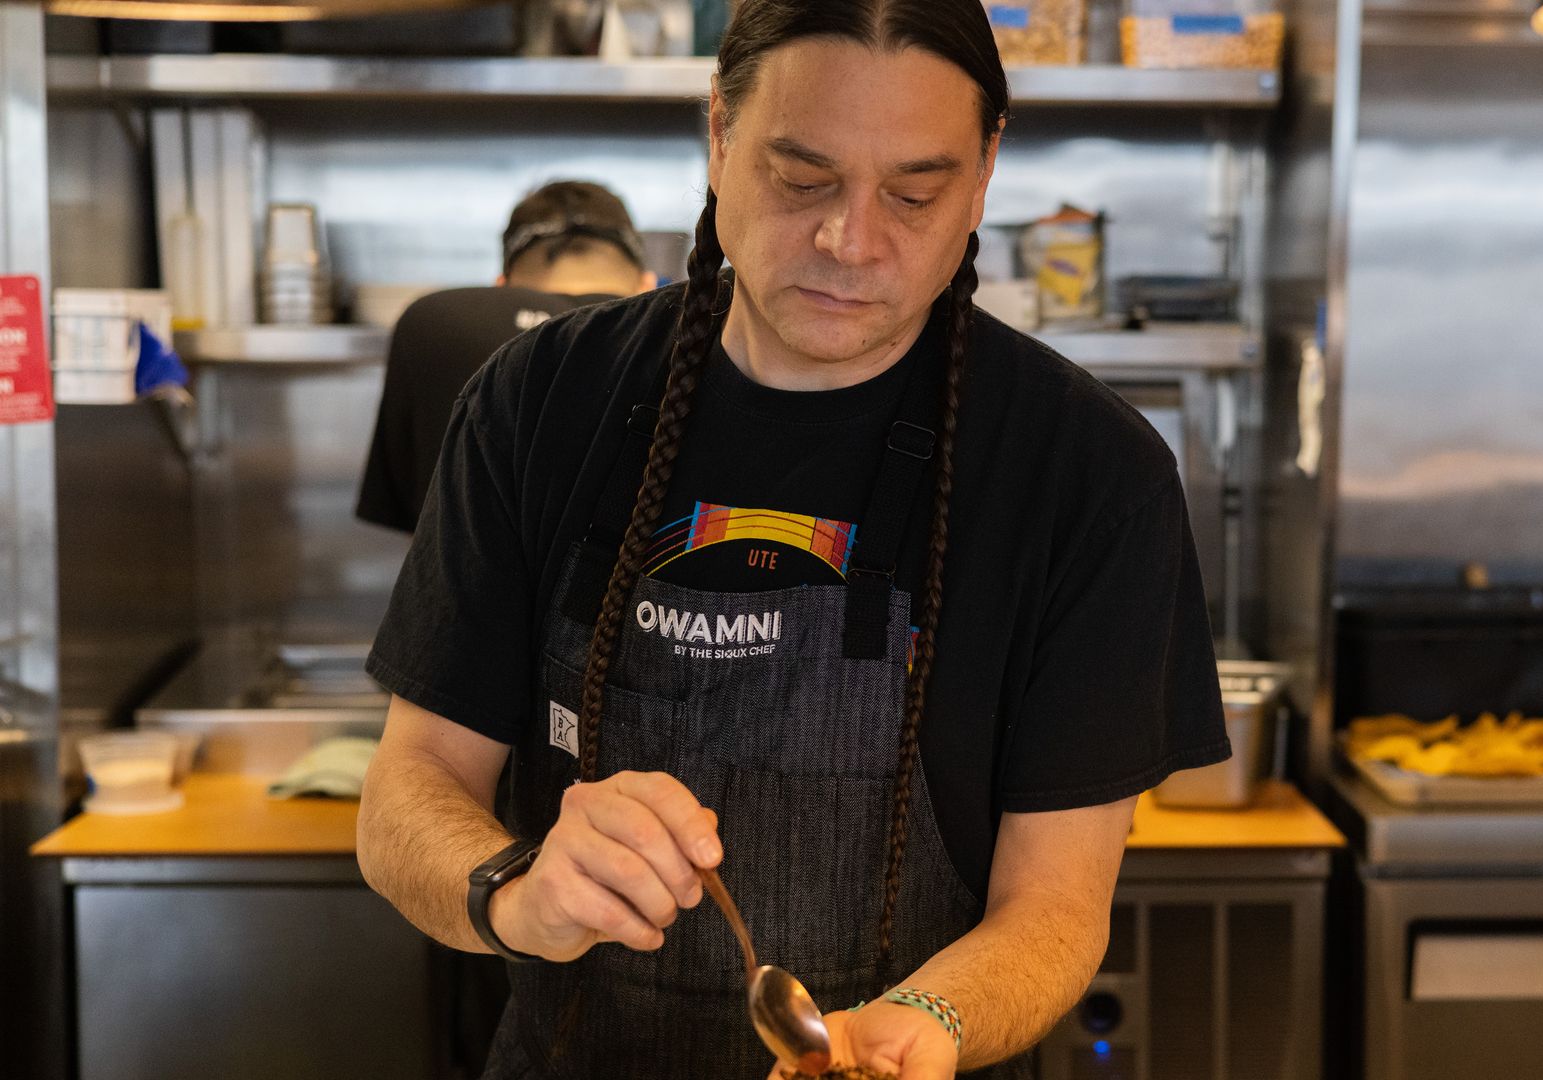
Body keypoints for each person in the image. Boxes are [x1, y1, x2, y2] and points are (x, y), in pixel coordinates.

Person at [355, 3, 1228, 1078]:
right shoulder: (541, 402)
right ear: (718, 136)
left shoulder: (1090, 473)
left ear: (986, 171)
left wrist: (932, 1026)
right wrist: (517, 891)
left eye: (915, 192)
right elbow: (409, 789)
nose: (850, 242)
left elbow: (1055, 905)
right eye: (801, 177)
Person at [355, 180, 658, 533]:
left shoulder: (428, 322)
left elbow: (419, 528)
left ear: (502, 283)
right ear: (647, 285)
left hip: (460, 587)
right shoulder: (674, 329)